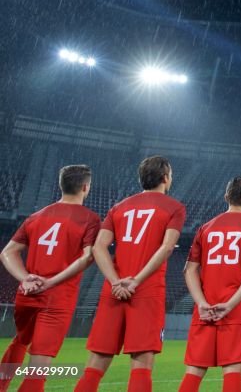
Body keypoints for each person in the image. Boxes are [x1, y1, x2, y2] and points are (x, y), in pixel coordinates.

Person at [75, 156, 186, 392]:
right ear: (165, 178)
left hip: (114, 291)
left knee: (95, 363)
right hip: (146, 290)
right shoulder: (174, 207)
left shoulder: (119, 206)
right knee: (142, 363)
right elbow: (166, 248)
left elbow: (99, 247)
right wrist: (136, 280)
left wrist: (116, 281)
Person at [0, 165, 100, 392]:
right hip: (55, 299)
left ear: (61, 185)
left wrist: (25, 278)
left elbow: (7, 252)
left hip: (26, 295)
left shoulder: (36, 216)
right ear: (85, 188)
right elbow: (87, 258)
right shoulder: (90, 219)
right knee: (39, 366)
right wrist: (52, 281)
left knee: (21, 341)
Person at [178, 177, 241, 392]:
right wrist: (230, 304)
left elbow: (189, 270)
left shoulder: (206, 228)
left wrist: (200, 303)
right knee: (233, 371)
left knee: (194, 371)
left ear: (226, 196)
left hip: (206, 307)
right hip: (237, 309)